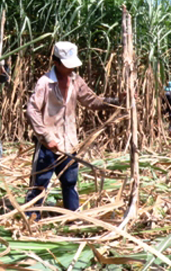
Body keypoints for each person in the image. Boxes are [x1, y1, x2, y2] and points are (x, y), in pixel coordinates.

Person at [24, 41, 119, 216]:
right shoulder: (45, 83)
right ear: (56, 62)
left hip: (69, 145)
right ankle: (30, 220)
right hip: (48, 146)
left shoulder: (76, 81)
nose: (70, 69)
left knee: (70, 182)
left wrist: (117, 102)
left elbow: (93, 100)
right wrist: (46, 136)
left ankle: (73, 218)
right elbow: (32, 110)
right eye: (66, 65)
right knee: (39, 184)